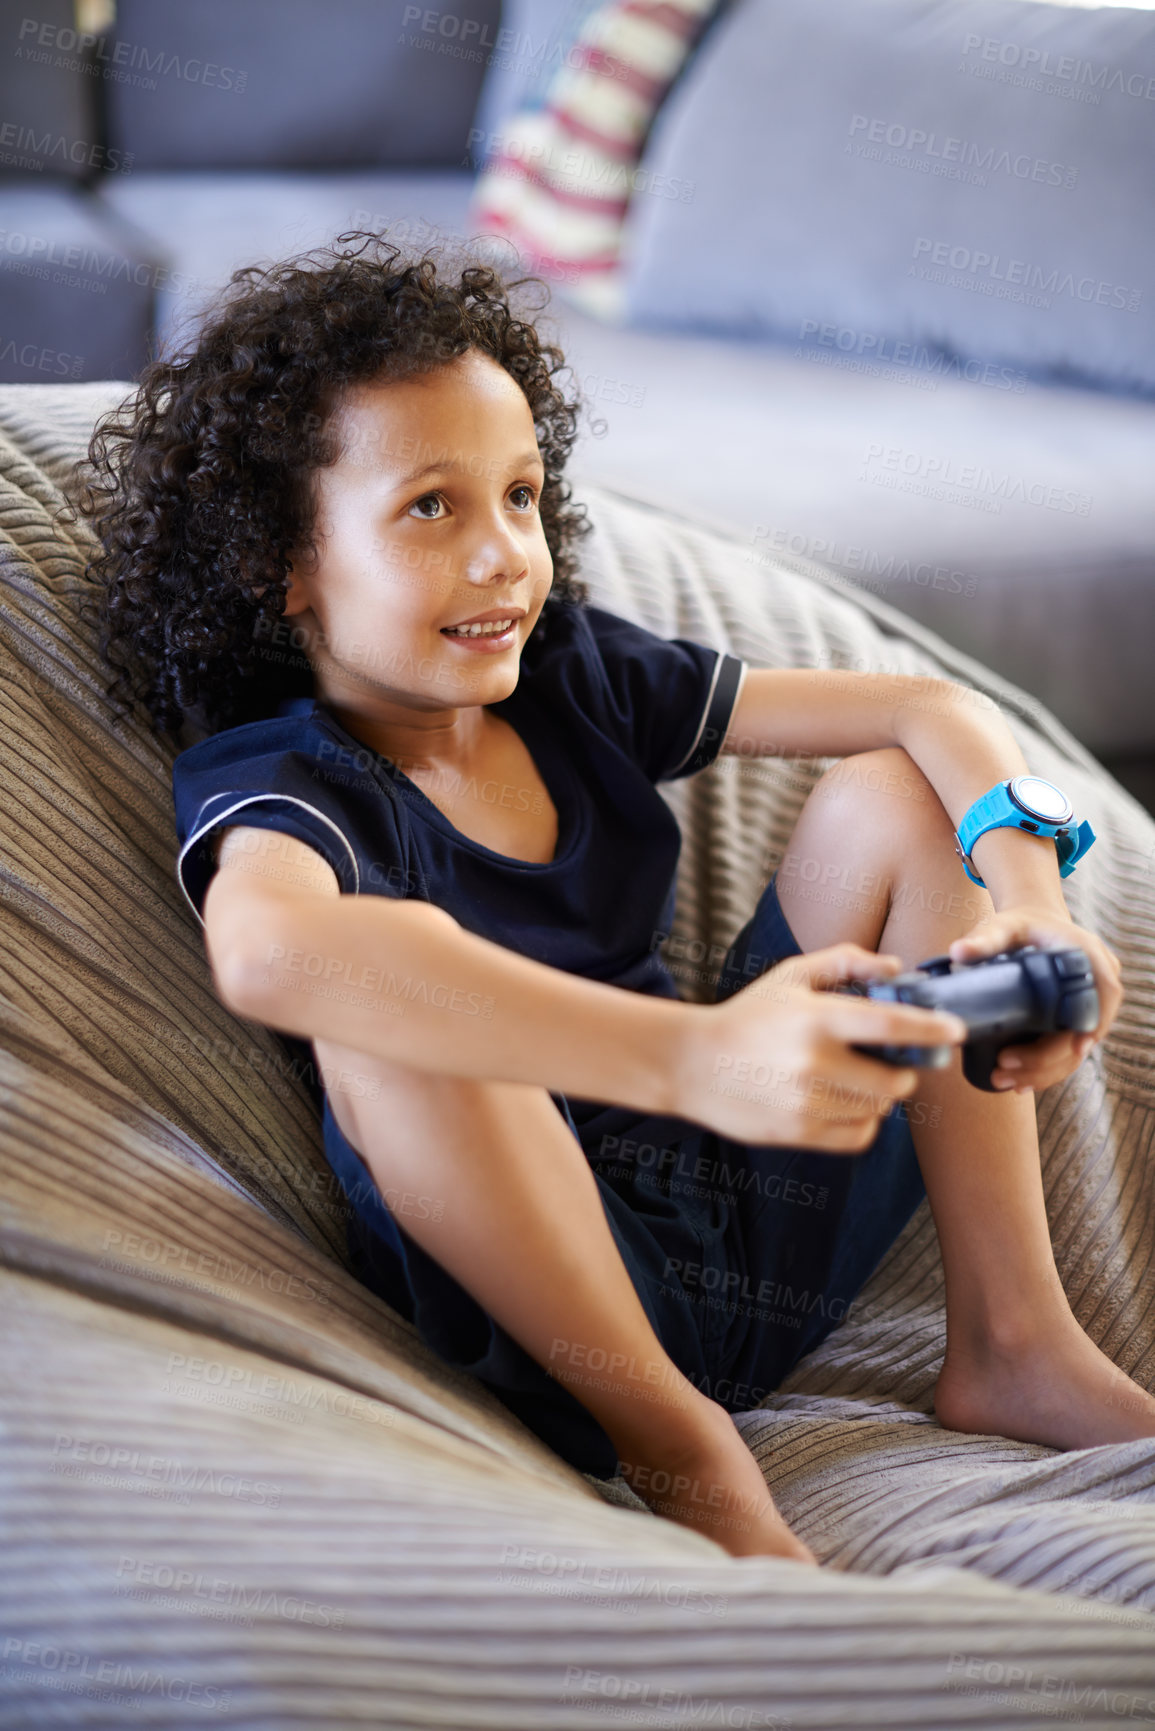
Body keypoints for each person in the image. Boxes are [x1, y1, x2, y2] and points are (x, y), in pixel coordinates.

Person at [79, 233, 1147, 1565]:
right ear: (280, 566)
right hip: (559, 1333)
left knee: (894, 790)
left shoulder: (571, 676)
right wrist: (699, 1057)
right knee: (394, 1003)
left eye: (520, 496)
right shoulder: (288, 777)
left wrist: (1028, 911)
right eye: (432, 509)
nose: (504, 557)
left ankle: (1013, 1337)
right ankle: (693, 1461)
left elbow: (927, 708)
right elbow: (268, 952)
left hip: (750, 1214)